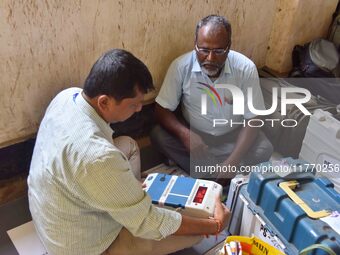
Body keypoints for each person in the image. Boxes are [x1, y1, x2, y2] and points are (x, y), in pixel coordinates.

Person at [28, 49, 230, 255]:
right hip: (81, 247)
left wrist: (124, 188)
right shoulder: (98, 158)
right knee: (194, 232)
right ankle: (129, 205)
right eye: (133, 104)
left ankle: (128, 197)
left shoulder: (67, 97)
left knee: (128, 145)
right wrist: (213, 225)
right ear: (104, 102)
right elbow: (150, 223)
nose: (139, 109)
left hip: (52, 217)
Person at [151, 15, 273, 185]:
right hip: (197, 138)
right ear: (195, 45)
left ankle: (211, 173)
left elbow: (254, 119)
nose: (210, 58)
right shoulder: (181, 67)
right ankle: (220, 175)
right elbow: (161, 110)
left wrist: (233, 160)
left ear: (229, 47)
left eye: (218, 51)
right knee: (159, 135)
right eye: (203, 50)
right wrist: (185, 135)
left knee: (264, 148)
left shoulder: (245, 69)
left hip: (232, 136)